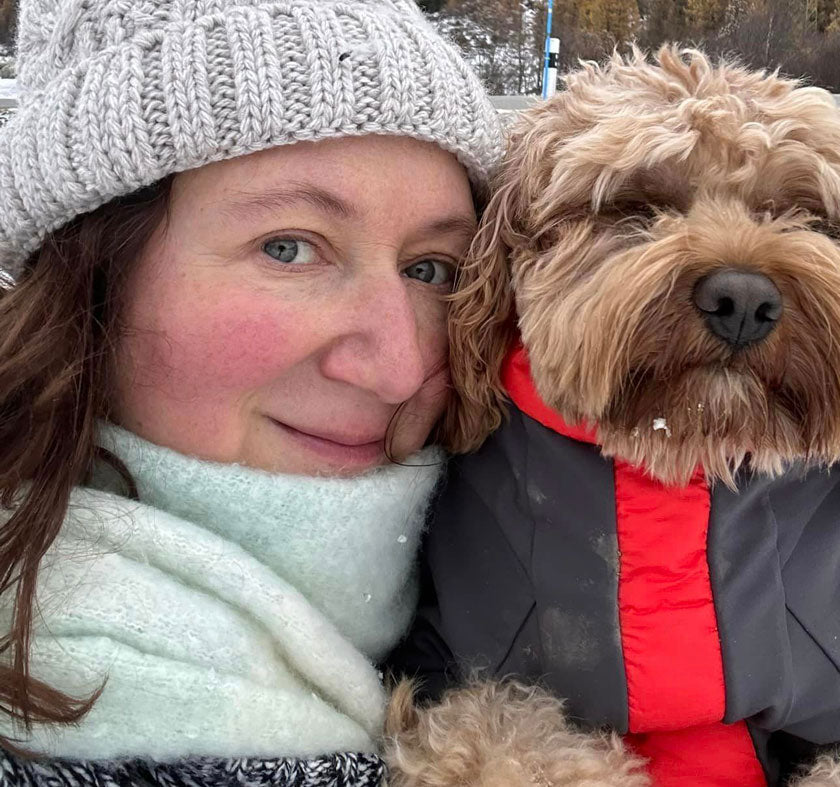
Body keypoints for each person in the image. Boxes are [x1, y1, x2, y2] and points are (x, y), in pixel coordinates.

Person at [0, 0, 502, 784]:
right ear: (91, 278)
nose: (398, 367)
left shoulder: (525, 577)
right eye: (289, 247)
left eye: (430, 269)